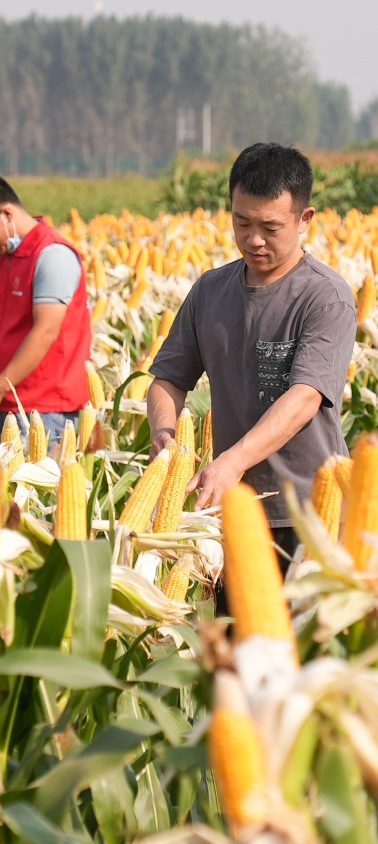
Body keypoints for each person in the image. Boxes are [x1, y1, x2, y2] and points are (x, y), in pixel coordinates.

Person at [148, 142, 356, 581]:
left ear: (305, 220)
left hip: (308, 512)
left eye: (270, 227)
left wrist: (233, 459)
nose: (253, 239)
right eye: (241, 222)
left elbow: (304, 397)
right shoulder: (210, 291)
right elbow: (167, 378)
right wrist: (163, 433)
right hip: (229, 507)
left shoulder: (325, 297)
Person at [0, 174, 92, 448]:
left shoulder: (52, 255)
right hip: (6, 401)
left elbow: (46, 330)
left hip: (45, 411)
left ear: (6, 214)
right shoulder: (5, 256)